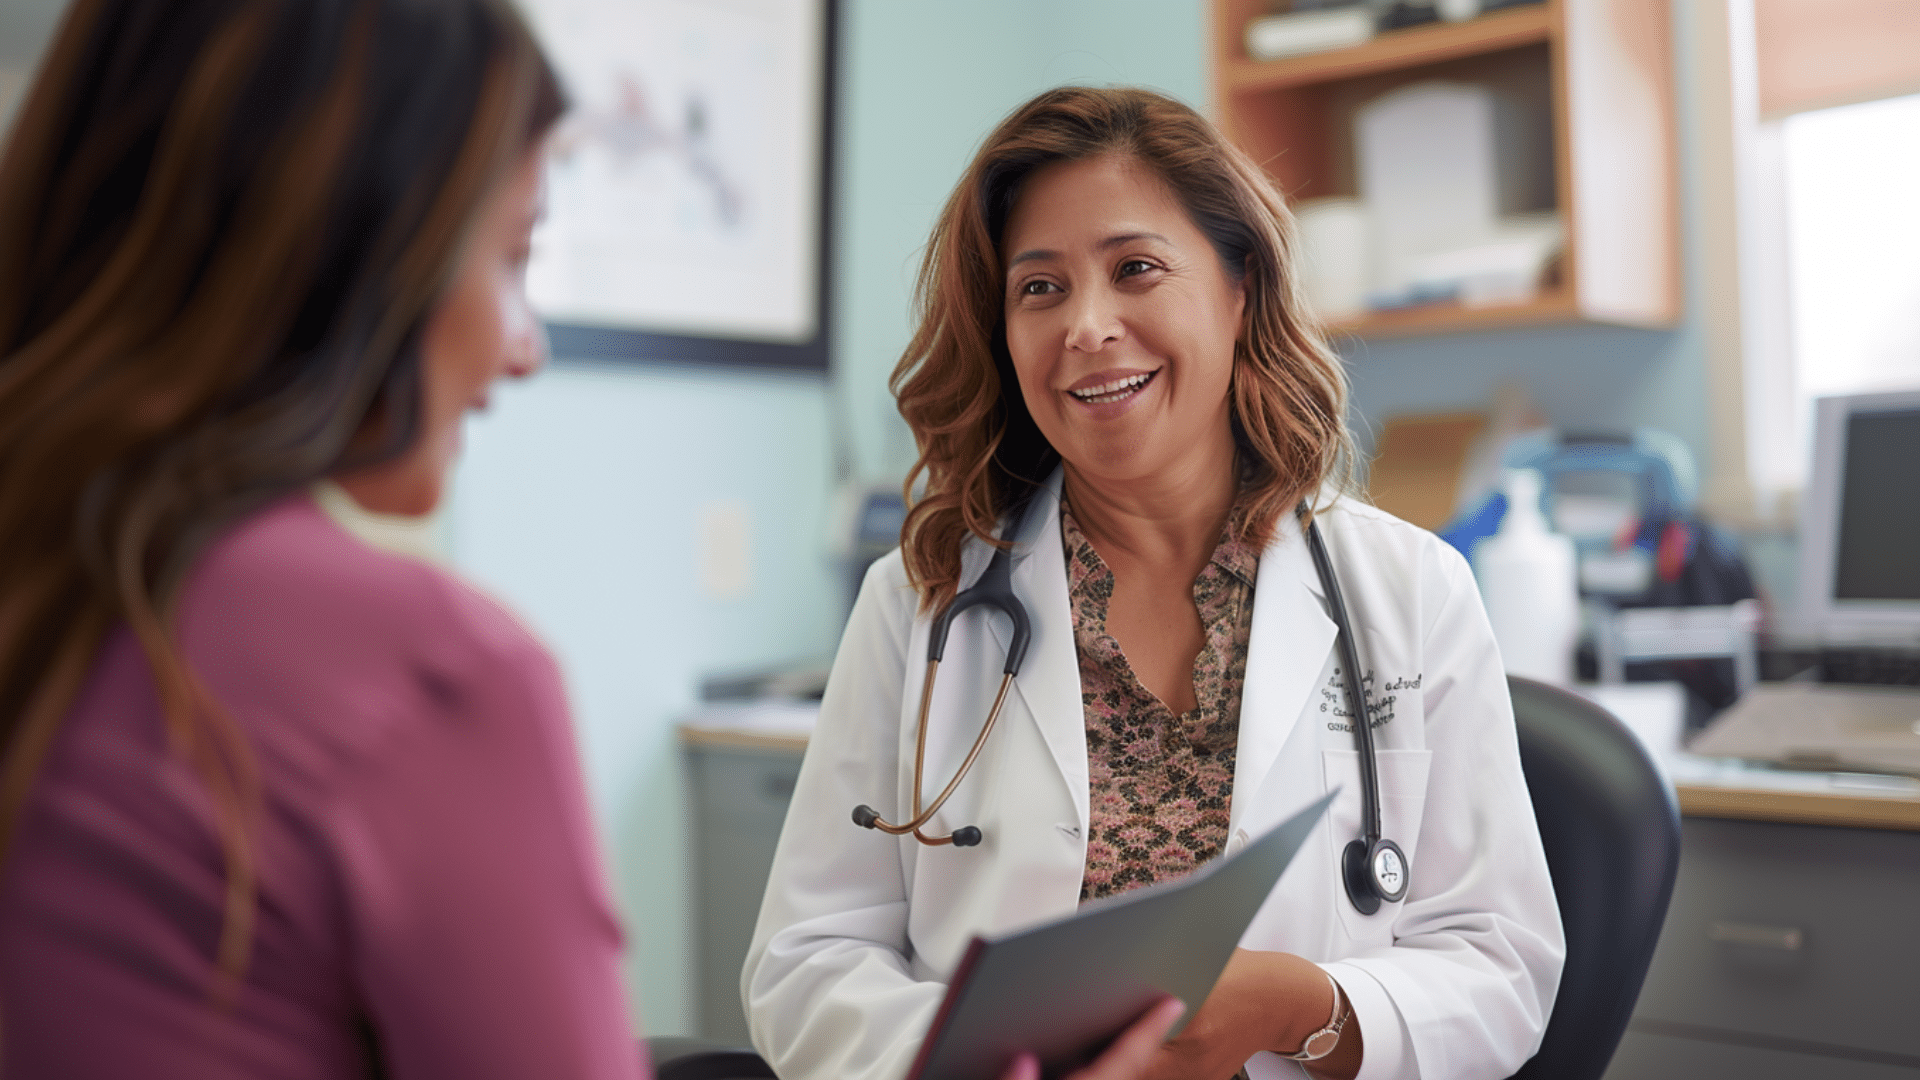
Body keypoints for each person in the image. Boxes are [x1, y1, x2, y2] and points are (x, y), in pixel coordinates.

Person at [0, 4, 1180, 1079]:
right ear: (351, 253)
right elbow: (806, 958)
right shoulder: (432, 675)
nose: (526, 348)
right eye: (514, 256)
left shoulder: (55, 590)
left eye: (1136, 270)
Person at [744, 87, 1565, 1080]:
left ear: (1238, 289)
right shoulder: (922, 602)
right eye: (1039, 288)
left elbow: (1503, 963)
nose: (1087, 325)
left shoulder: (1412, 590)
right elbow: (808, 961)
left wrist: (1300, 1006)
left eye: (1135, 269)